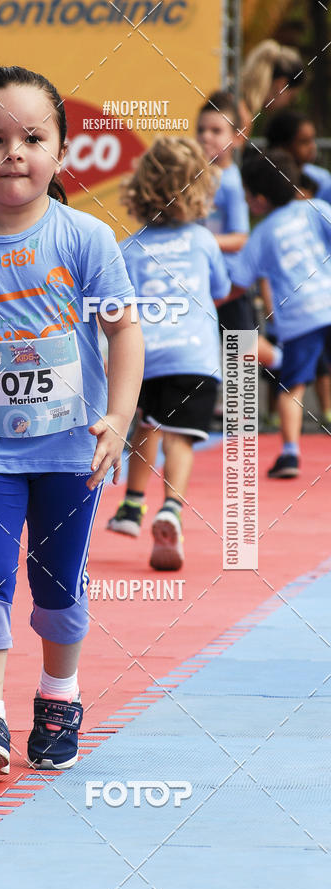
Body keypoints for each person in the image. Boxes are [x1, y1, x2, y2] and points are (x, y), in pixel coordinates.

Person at [0, 64, 144, 776]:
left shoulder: (87, 240)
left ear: (61, 152)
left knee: (58, 579)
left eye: (33, 138)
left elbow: (124, 331)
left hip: (73, 446)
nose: (14, 152)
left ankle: (58, 695)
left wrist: (118, 417)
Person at [107, 137, 230, 571]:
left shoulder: (129, 246)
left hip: (146, 357)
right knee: (180, 438)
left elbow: (116, 306)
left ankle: (131, 504)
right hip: (194, 357)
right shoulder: (202, 240)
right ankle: (171, 508)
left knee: (147, 424)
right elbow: (220, 288)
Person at [229, 149, 331, 478]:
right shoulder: (317, 209)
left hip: (300, 318)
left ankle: (289, 455)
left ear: (259, 200)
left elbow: (239, 283)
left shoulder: (262, 234)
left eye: (247, 195)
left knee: (293, 387)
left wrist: (209, 302)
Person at [197, 91, 282, 371]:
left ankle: (284, 360)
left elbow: (241, 238)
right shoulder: (196, 177)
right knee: (208, 346)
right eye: (201, 129)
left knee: (242, 354)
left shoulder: (231, 182)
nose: (206, 136)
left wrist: (198, 240)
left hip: (230, 283)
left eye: (216, 130)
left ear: (236, 138)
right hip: (204, 280)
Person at [240, 39, 304, 139]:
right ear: (281, 85)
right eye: (292, 97)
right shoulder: (242, 115)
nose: (288, 104)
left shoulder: (238, 102)